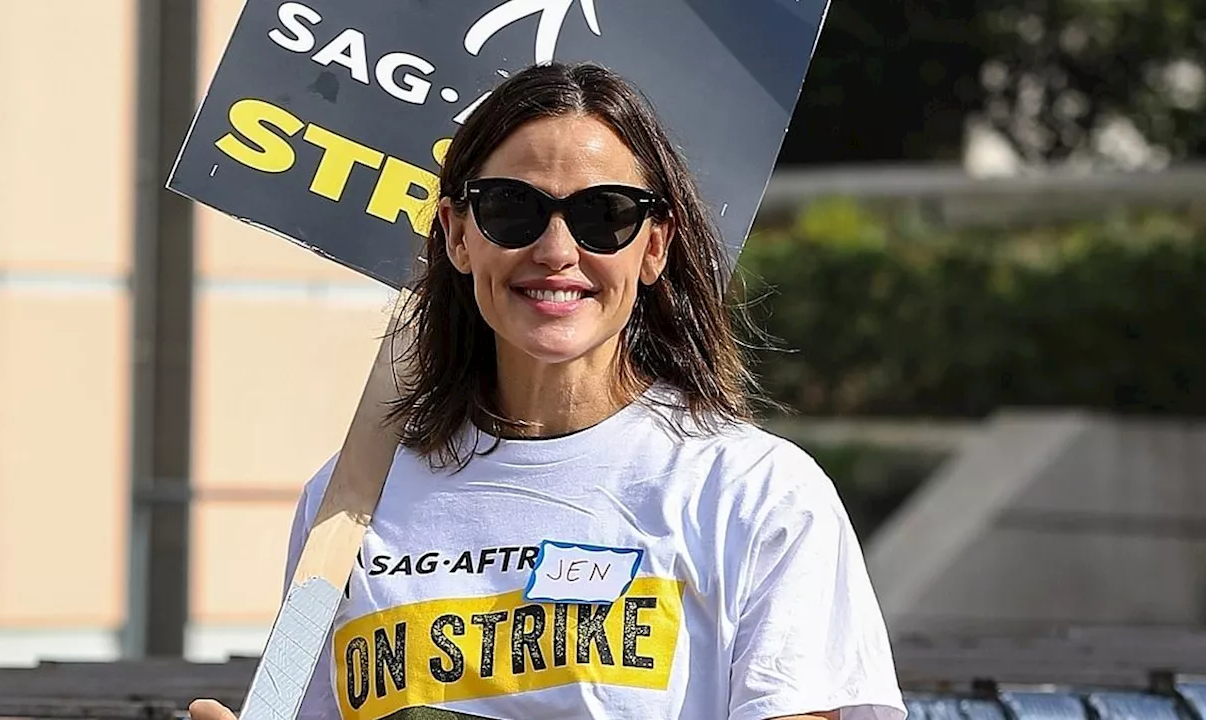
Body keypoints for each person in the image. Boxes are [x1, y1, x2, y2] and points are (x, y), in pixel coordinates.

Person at [192, 62, 906, 720]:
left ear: (654, 246)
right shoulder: (342, 500)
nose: (558, 251)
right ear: (456, 235)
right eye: (511, 208)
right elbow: (289, 697)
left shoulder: (754, 494)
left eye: (605, 215)